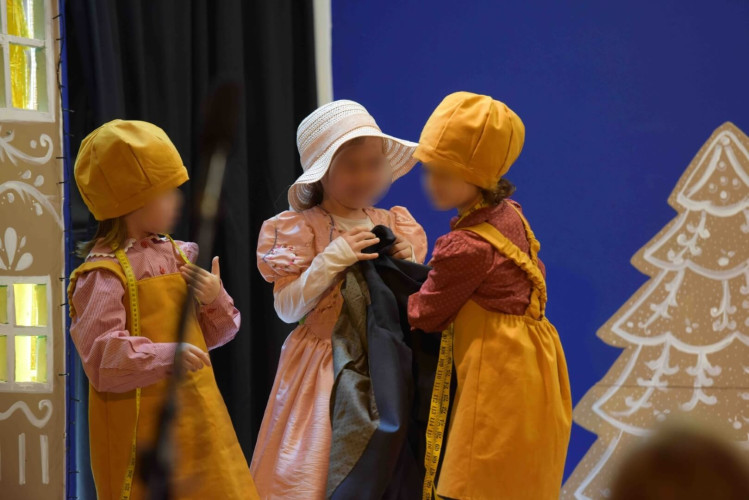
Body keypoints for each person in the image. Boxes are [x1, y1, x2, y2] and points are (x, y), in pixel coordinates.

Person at [68, 119, 258, 499]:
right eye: (166, 192)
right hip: (142, 424)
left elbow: (212, 337)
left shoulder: (177, 255)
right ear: (130, 200)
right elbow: (102, 360)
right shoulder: (103, 274)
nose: (178, 201)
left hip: (198, 414)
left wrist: (214, 298)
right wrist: (165, 356)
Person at [251, 100, 427, 499]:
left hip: (385, 364)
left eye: (373, 164)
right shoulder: (300, 228)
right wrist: (332, 259)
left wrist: (409, 265)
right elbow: (287, 308)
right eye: (351, 166)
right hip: (323, 367)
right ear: (322, 172)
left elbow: (412, 307)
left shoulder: (395, 223)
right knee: (316, 466)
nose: (364, 176)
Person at [408, 92, 572, 499]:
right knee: (516, 482)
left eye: (446, 173)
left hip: (498, 377)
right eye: (429, 169)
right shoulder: (509, 213)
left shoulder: (465, 246)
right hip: (534, 366)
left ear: (482, 177)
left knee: (476, 483)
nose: (432, 183)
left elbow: (425, 314)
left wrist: (393, 277)